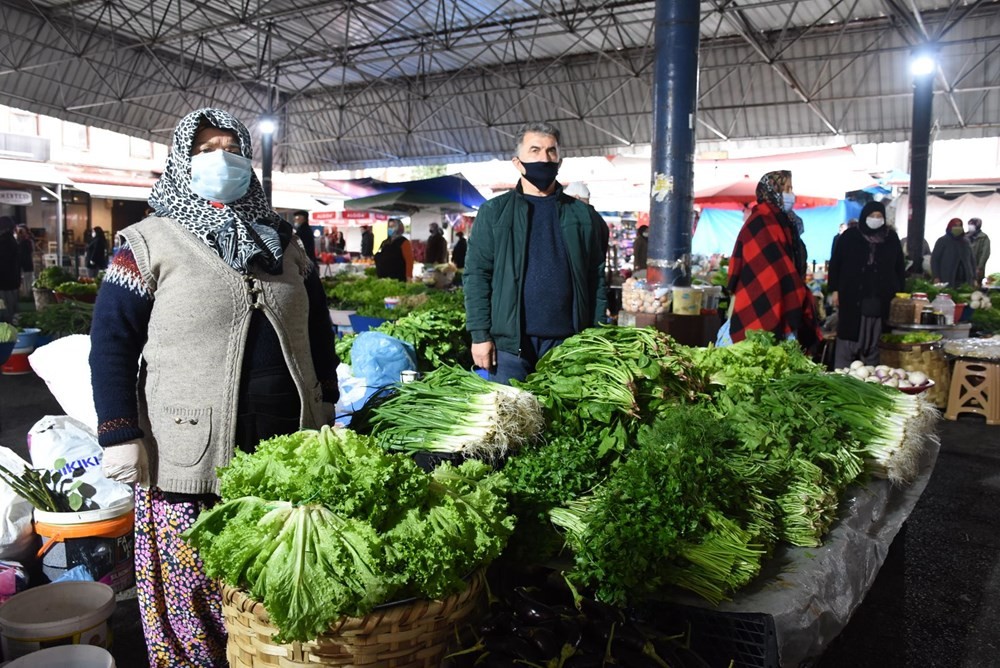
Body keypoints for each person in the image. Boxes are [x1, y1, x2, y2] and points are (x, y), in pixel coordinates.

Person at [88, 108, 339, 668]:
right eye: (205, 149)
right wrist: (118, 431)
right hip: (189, 447)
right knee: (194, 581)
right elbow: (111, 343)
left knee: (276, 576)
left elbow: (317, 325)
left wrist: (327, 393)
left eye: (231, 147)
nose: (220, 158)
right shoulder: (146, 243)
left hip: (284, 439)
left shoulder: (283, 241)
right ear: (182, 158)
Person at [463, 121, 608, 385]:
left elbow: (595, 277)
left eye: (551, 151)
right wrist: (480, 335)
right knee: (511, 422)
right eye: (535, 150)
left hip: (568, 343)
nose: (545, 158)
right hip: (510, 345)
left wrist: (598, 334)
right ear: (518, 162)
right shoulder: (494, 213)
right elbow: (477, 276)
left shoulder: (583, 216)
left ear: (559, 160)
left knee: (562, 424)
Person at [723, 170, 822, 348]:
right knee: (758, 350)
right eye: (787, 189)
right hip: (761, 297)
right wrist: (796, 289)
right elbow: (771, 269)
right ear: (773, 191)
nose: (792, 194)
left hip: (782, 296)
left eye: (791, 189)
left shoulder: (784, 221)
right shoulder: (762, 221)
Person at [828, 201, 905, 368]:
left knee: (875, 341)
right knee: (849, 338)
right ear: (864, 216)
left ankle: (871, 374)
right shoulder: (849, 236)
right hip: (851, 297)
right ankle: (842, 374)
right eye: (872, 216)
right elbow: (835, 264)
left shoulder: (891, 238)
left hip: (881, 299)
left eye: (879, 216)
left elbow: (899, 267)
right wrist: (834, 290)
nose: (876, 219)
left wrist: (900, 293)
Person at [931, 217, 976, 288]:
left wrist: (974, 277)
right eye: (955, 226)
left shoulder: (966, 242)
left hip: (965, 278)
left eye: (959, 226)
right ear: (950, 227)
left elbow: (972, 260)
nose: (958, 228)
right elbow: (935, 260)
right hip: (947, 277)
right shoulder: (942, 241)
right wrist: (936, 276)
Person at [0, 217, 19, 323]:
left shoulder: (4, 242)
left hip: (4, 284)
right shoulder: (11, 241)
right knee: (9, 310)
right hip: (11, 282)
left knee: (5, 312)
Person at [967, 217, 991, 286]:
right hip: (965, 268)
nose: (969, 226)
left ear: (977, 225)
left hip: (977, 268)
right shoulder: (965, 236)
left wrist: (979, 267)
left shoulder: (983, 237)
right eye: (969, 224)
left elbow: (985, 254)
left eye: (972, 224)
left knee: (976, 286)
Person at [16, 226, 34, 298]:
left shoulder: (27, 241)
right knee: (25, 279)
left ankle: (28, 294)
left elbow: (30, 251)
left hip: (26, 263)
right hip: (22, 263)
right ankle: (26, 293)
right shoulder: (19, 242)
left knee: (28, 278)